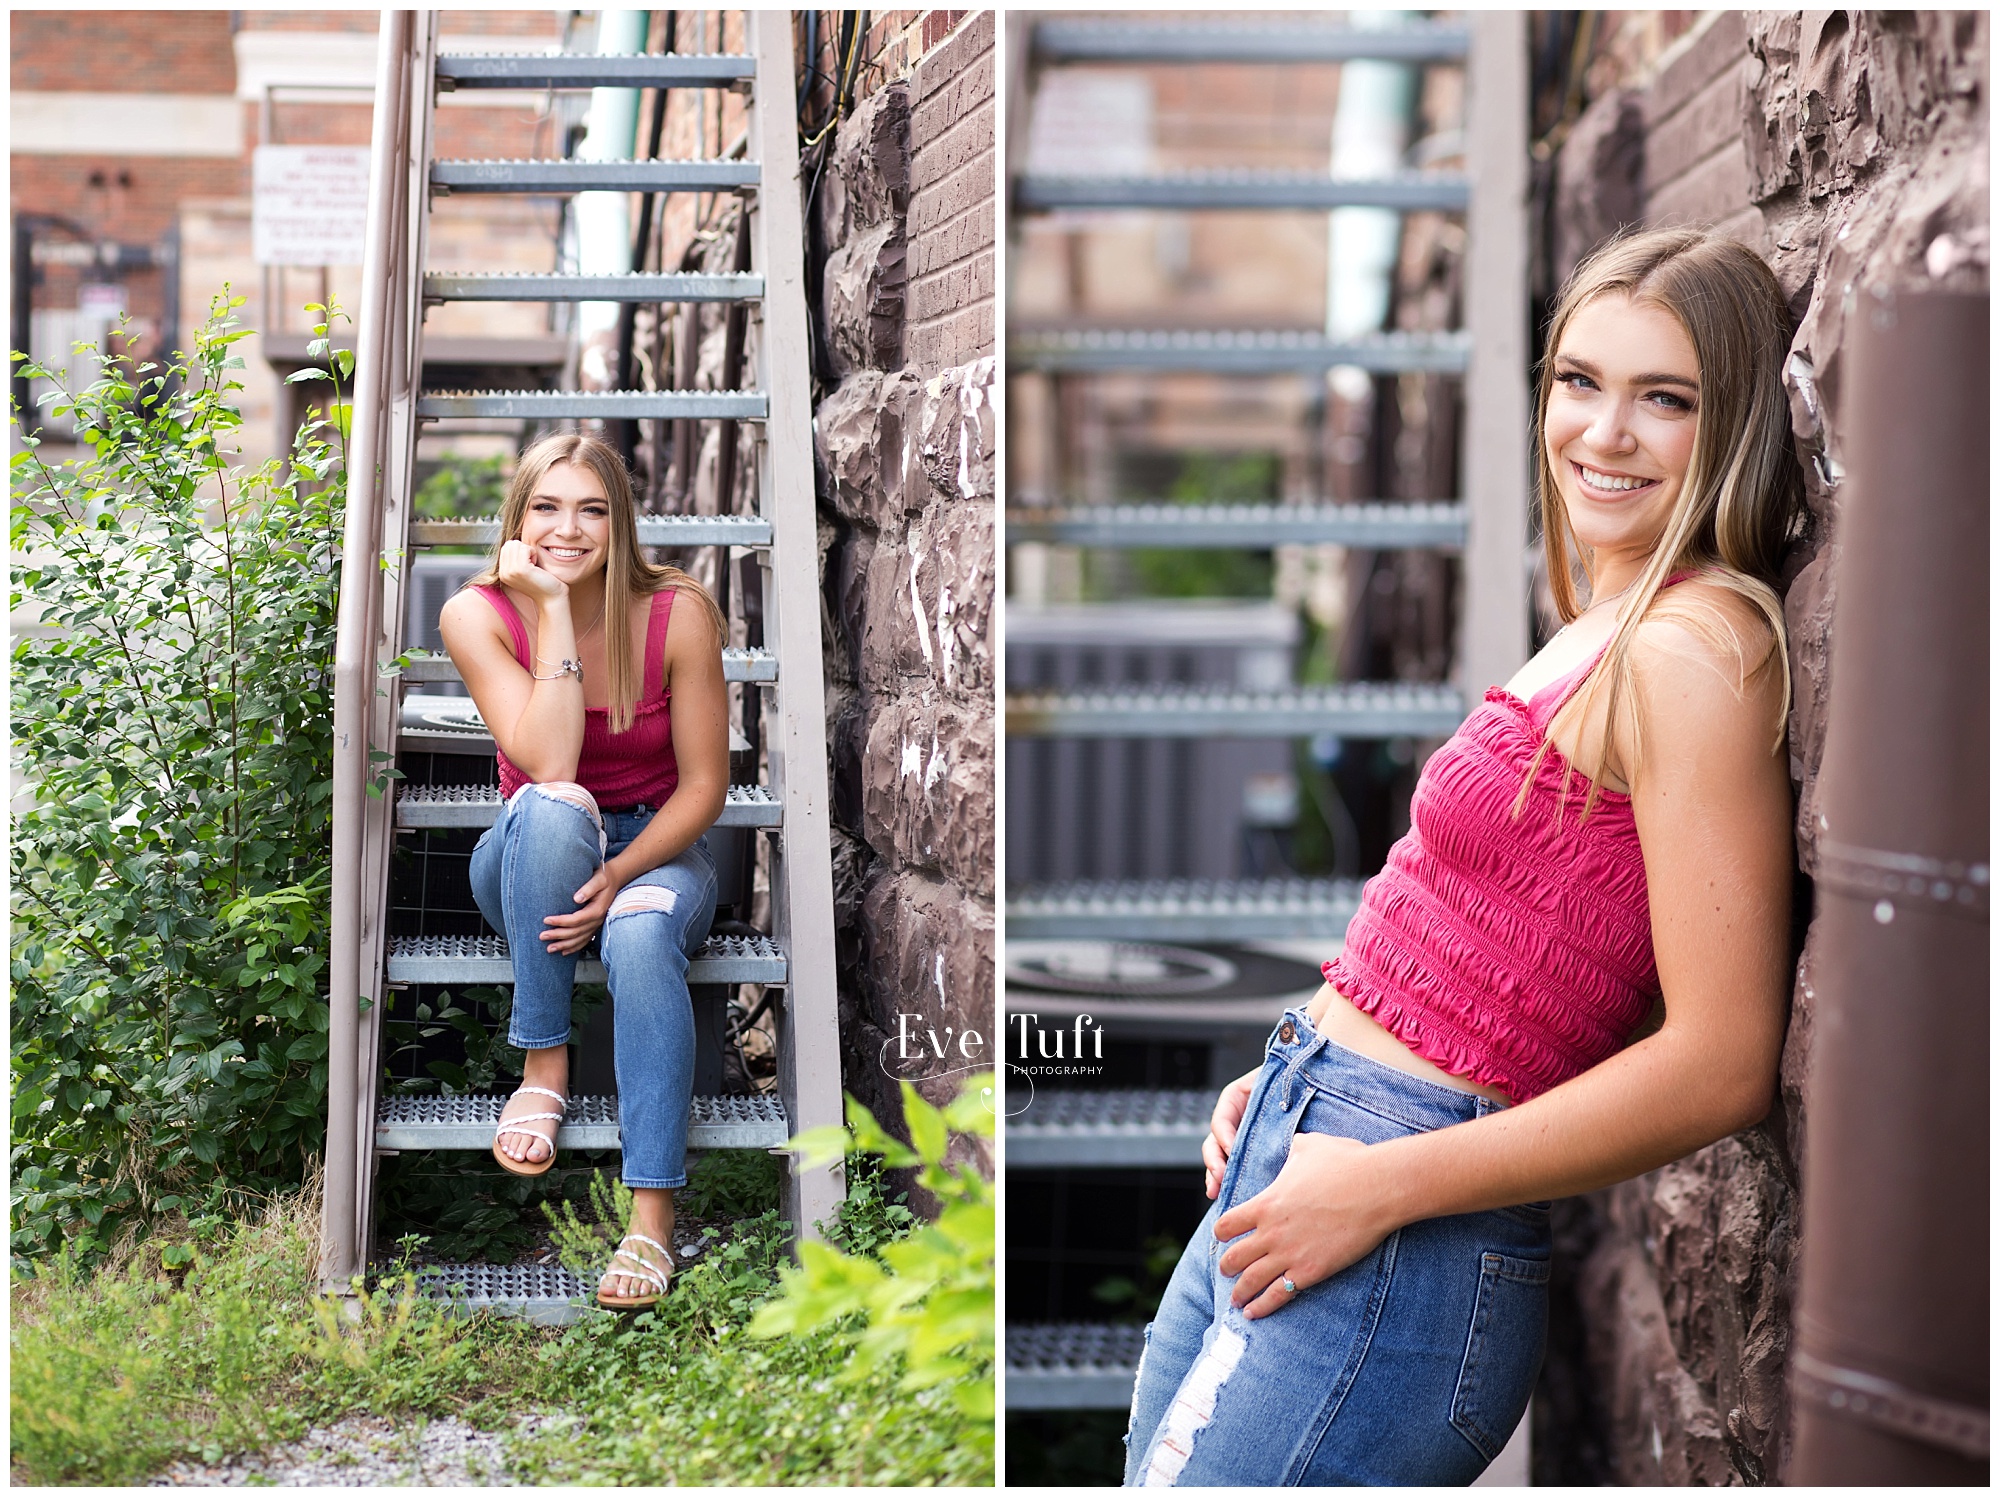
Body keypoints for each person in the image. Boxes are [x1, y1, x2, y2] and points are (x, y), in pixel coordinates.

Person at [1123, 228, 1803, 1485]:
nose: (1601, 433)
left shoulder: (1694, 651)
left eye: (1666, 400)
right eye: (1579, 382)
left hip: (1395, 1222)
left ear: (1736, 428)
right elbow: (1476, 935)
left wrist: (1380, 1179)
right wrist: (1301, 1078)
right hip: (1307, 1152)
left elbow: (1720, 1064)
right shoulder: (1611, 623)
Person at [438, 431, 730, 1310]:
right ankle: (544, 1069)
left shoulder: (679, 612)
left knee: (641, 932)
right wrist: (555, 611)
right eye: (548, 507)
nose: (569, 529)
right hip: (534, 851)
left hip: (657, 848)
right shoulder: (478, 613)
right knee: (559, 803)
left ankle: (650, 1220)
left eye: (593, 509)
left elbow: (707, 786)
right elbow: (549, 758)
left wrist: (622, 874)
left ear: (621, 519)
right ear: (520, 517)